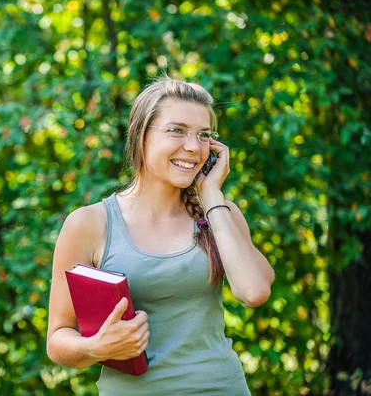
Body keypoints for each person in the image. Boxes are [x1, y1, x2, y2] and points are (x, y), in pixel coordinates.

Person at [46, 76, 275, 395]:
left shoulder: (221, 214)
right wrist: (97, 347)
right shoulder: (88, 224)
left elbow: (253, 291)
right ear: (140, 135)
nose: (194, 147)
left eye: (204, 135)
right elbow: (58, 340)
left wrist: (211, 196)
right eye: (177, 130)